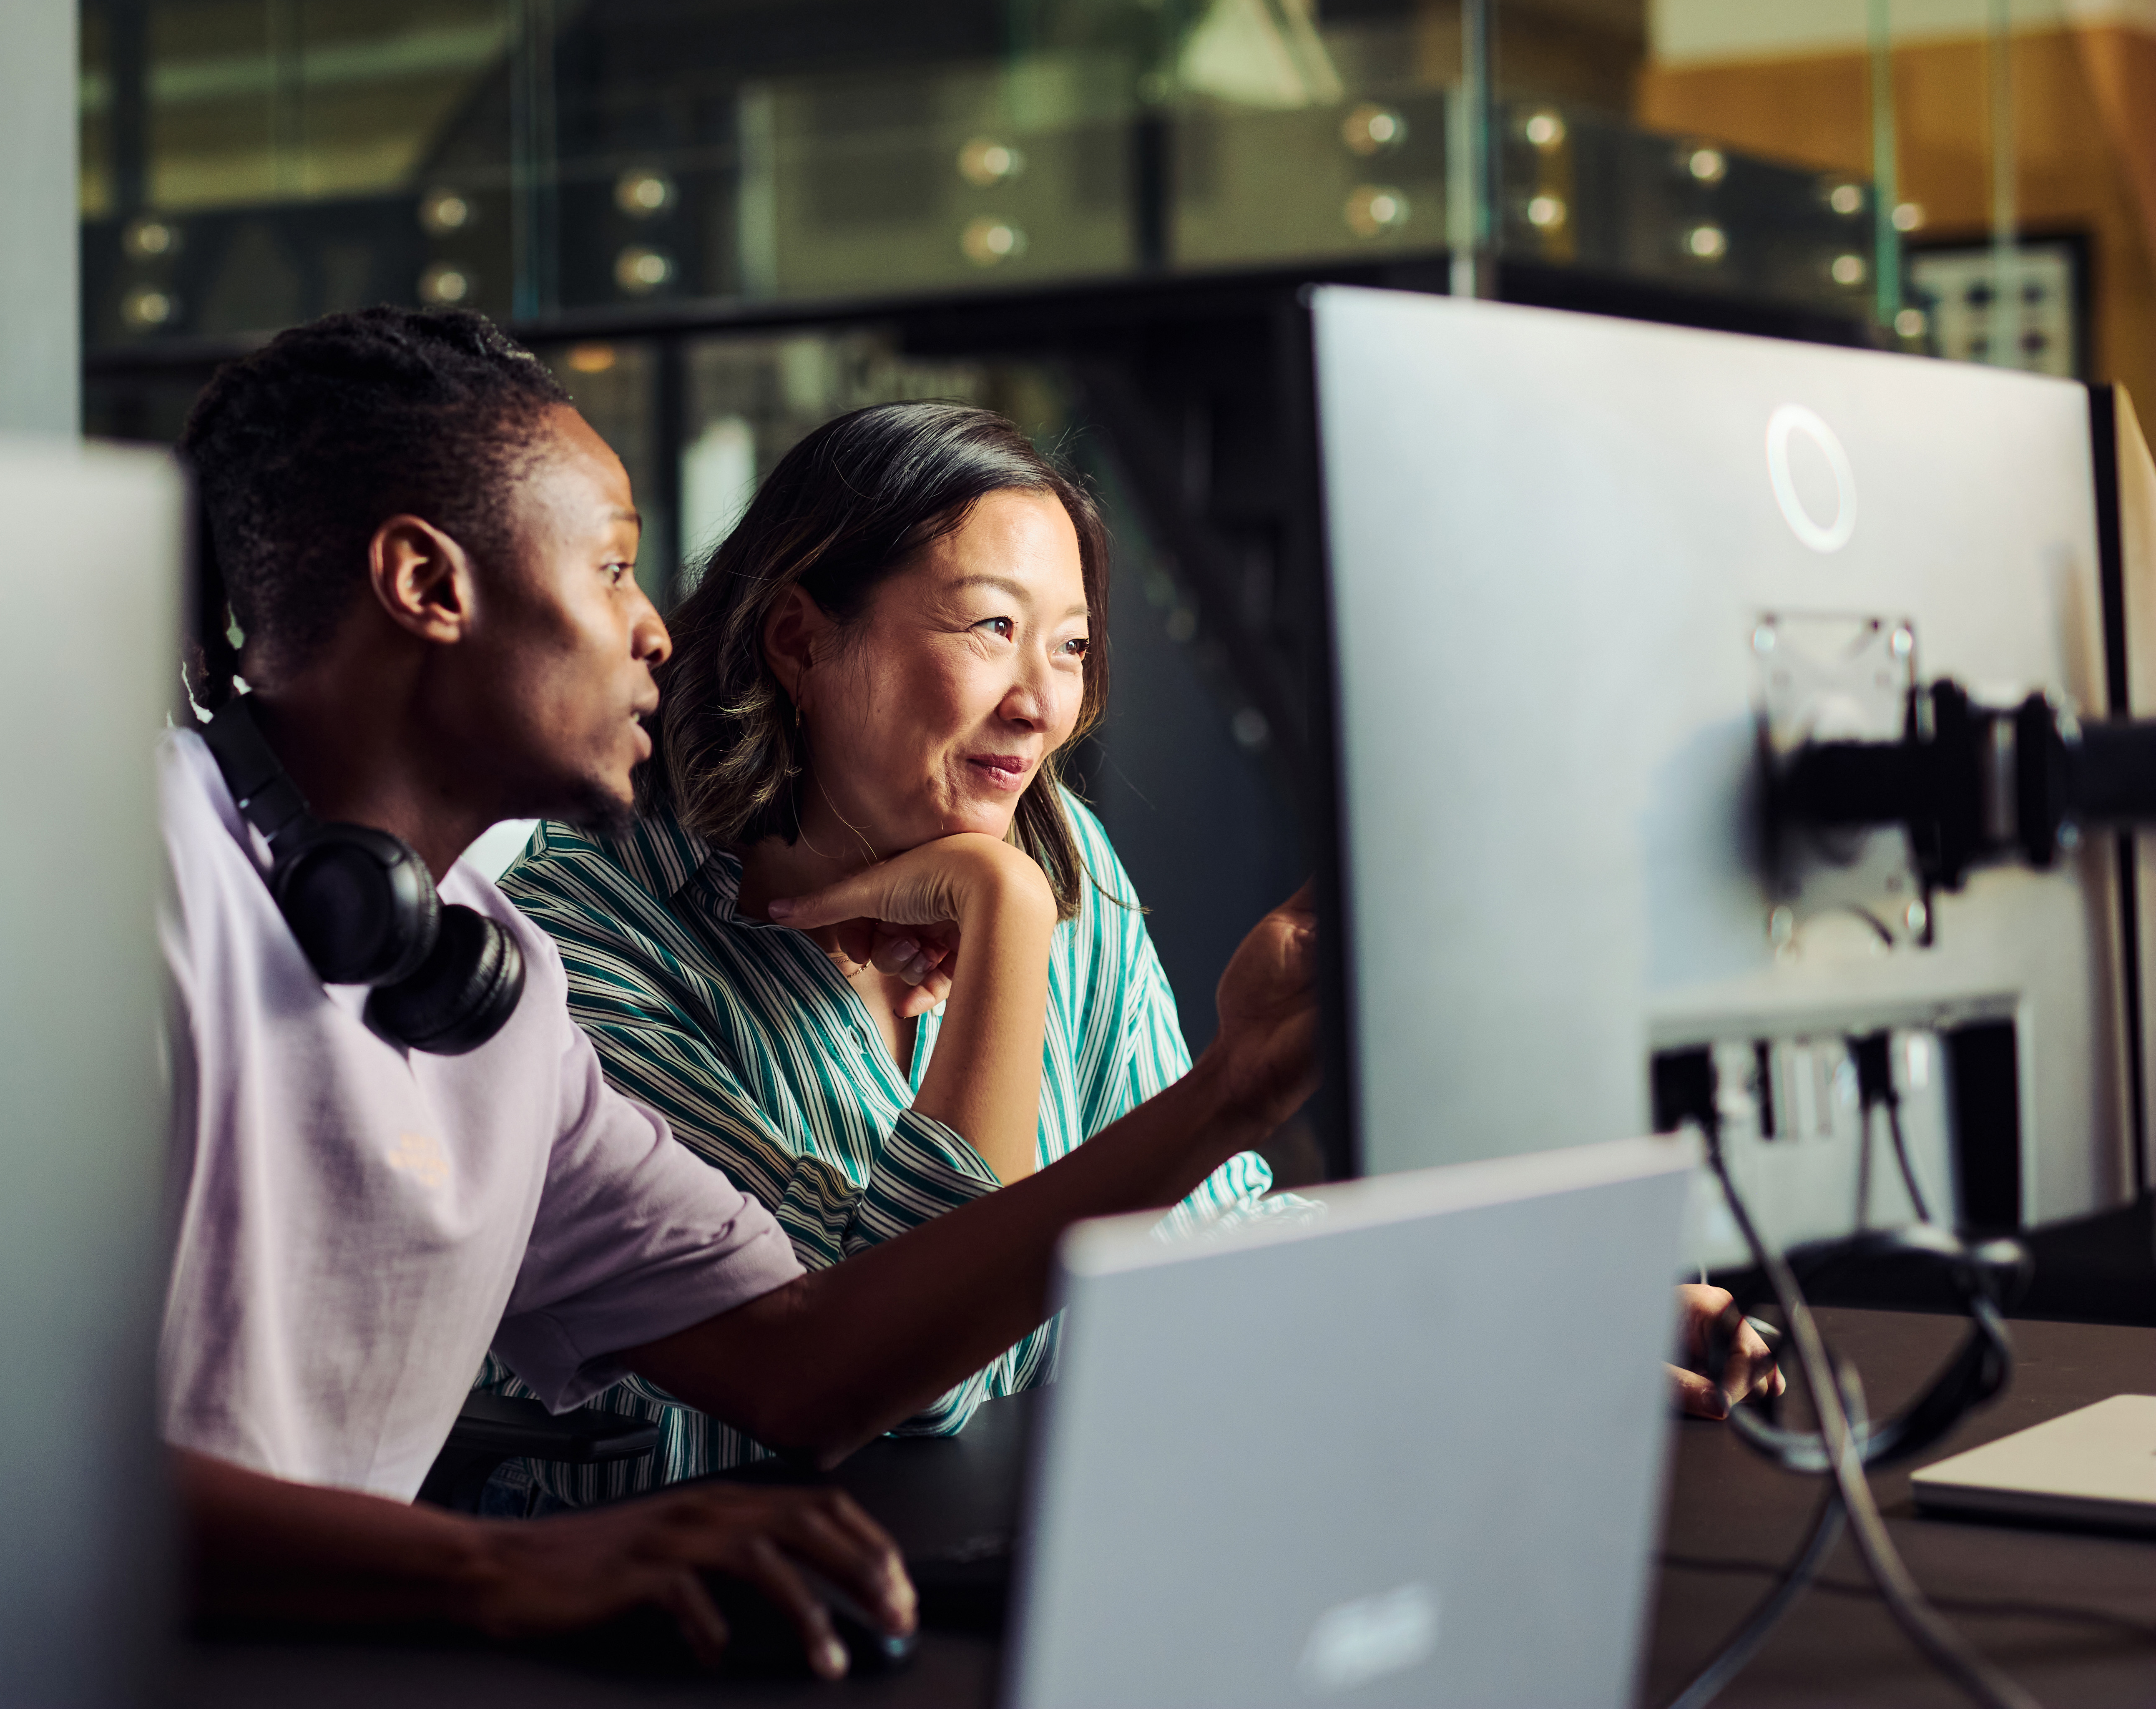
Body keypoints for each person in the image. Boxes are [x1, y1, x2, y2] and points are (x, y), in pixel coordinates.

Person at [158, 309, 1330, 1679]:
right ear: (429, 582)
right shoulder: (134, 891)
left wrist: (1236, 1096)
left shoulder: (485, 981)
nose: (656, 630)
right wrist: (498, 1563)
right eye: (610, 571)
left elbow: (806, 1361)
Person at [493, 400, 1779, 1500]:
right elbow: (921, 1384)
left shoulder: (1064, 858)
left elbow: (1189, 1255)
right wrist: (1003, 926)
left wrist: (1530, 1302)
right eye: (991, 629)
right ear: (800, 641)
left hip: (983, 1559)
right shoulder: (592, 943)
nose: (1043, 704)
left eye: (1070, 648)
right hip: (682, 1625)